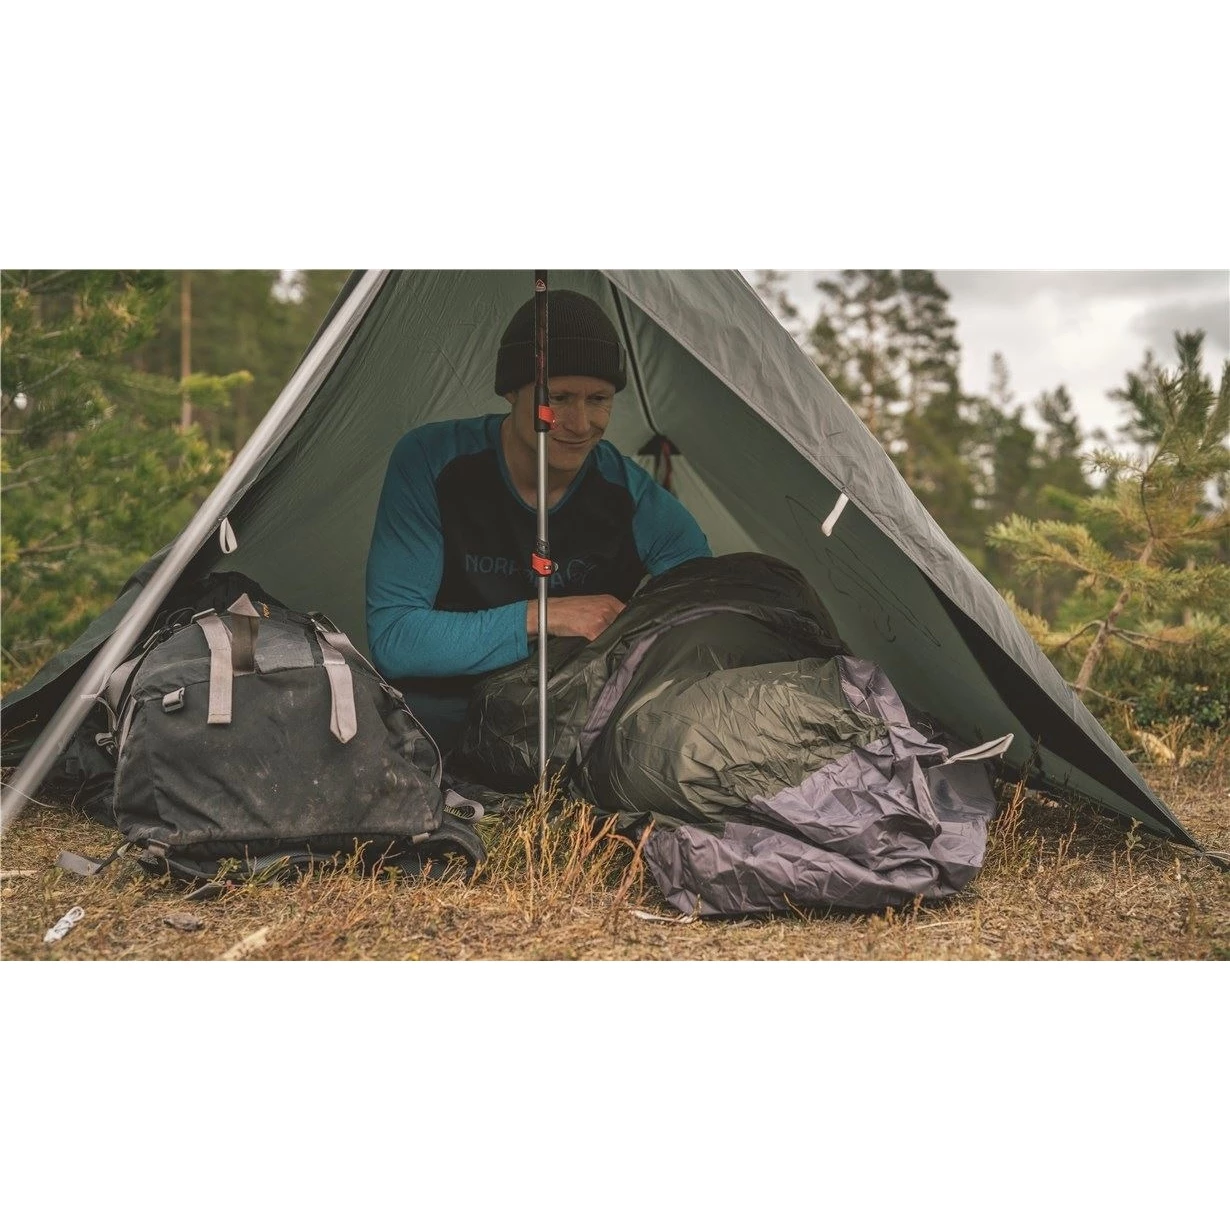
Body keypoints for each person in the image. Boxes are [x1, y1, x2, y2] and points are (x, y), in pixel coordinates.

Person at [365, 289, 712, 751]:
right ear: (511, 390)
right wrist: (546, 616)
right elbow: (396, 640)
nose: (581, 423)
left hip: (572, 729)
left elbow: (707, 613)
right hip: (442, 727)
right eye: (559, 397)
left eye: (599, 399)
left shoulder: (632, 497)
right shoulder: (434, 461)